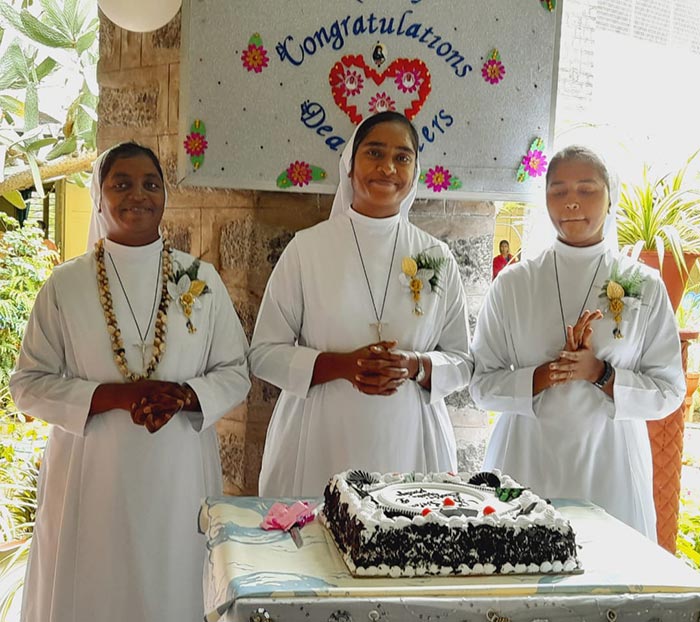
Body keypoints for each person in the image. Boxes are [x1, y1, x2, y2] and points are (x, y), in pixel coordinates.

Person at [10, 142, 251, 622]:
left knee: (172, 581)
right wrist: (114, 397)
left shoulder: (200, 279)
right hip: (92, 470)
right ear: (99, 197)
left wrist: (185, 396)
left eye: (150, 184)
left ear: (164, 195)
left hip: (177, 468)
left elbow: (235, 371)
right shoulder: (66, 285)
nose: (137, 195)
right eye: (121, 184)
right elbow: (28, 384)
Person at [249, 111, 473, 497]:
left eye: (402, 157)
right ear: (350, 166)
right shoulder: (307, 248)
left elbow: (462, 361)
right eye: (374, 153)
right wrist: (343, 366)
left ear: (415, 171)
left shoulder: (436, 256)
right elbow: (264, 353)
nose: (388, 167)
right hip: (320, 435)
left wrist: (415, 365)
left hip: (410, 439)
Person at [470, 145, 684, 540]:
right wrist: (544, 375)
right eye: (559, 190)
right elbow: (480, 385)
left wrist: (599, 373)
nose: (571, 202)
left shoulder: (645, 286)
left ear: (610, 197)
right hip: (526, 461)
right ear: (545, 198)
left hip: (611, 467)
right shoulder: (514, 284)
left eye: (587, 189)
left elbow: (670, 391)